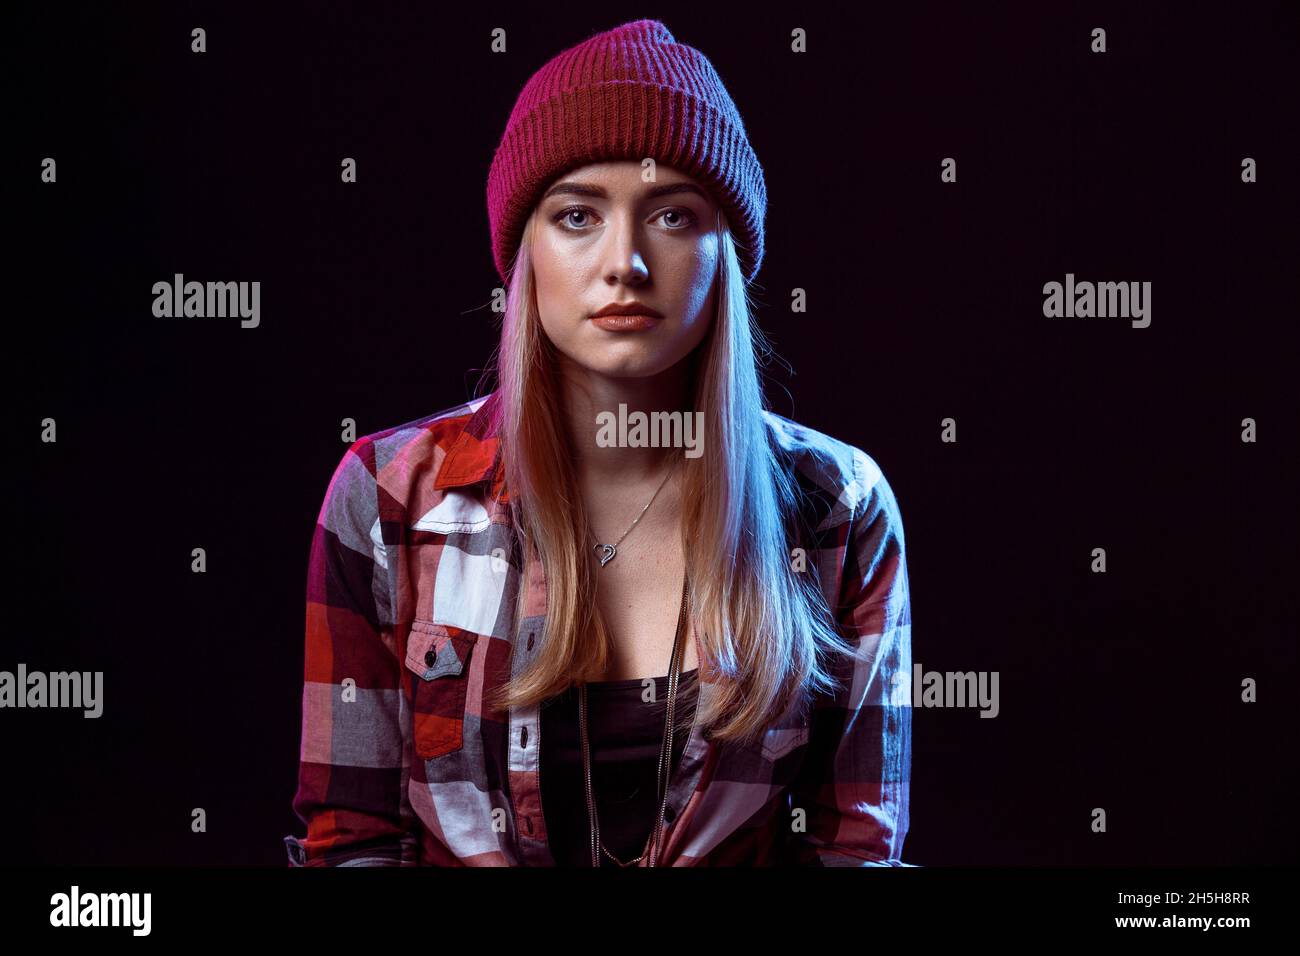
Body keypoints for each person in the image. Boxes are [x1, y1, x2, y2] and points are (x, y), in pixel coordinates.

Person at [284, 18, 912, 867]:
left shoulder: (839, 506)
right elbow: (351, 844)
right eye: (577, 214)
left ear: (726, 253)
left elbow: (854, 849)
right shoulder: (389, 496)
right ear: (525, 252)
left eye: (673, 214)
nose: (626, 262)